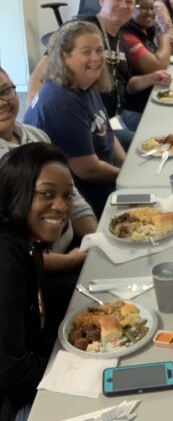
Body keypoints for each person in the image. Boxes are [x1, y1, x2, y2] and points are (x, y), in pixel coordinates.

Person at [26, 0, 171, 147]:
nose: (123, 5)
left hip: (119, 114)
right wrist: (33, 118)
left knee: (164, 124)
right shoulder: (80, 29)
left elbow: (127, 84)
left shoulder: (121, 39)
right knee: (147, 146)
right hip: (94, 122)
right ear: (102, 1)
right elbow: (41, 72)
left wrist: (152, 78)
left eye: (129, 2)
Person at [0, 142, 75, 421]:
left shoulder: (24, 245)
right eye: (46, 194)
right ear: (16, 192)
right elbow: (10, 370)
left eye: (67, 195)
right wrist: (71, 375)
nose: (61, 206)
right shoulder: (5, 257)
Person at [24, 20, 126, 218]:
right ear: (65, 57)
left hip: (99, 170)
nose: (96, 58)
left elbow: (106, 132)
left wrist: (125, 163)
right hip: (81, 194)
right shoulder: (61, 105)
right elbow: (89, 171)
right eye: (86, 52)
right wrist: (126, 176)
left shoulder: (84, 83)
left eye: (99, 50)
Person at [0, 66, 94, 275]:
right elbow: (11, 250)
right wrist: (70, 261)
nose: (2, 102)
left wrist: (96, 238)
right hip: (34, 270)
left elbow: (72, 196)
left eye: (5, 91)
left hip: (71, 245)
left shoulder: (36, 135)